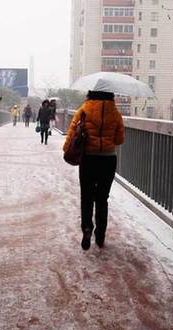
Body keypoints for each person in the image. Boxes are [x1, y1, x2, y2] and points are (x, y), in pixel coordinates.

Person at [63, 90, 124, 251]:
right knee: (102, 198)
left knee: (87, 196)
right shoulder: (116, 112)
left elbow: (72, 131)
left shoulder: (84, 109)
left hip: (88, 159)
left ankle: (87, 228)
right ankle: (101, 235)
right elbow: (119, 139)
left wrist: (66, 149)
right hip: (108, 159)